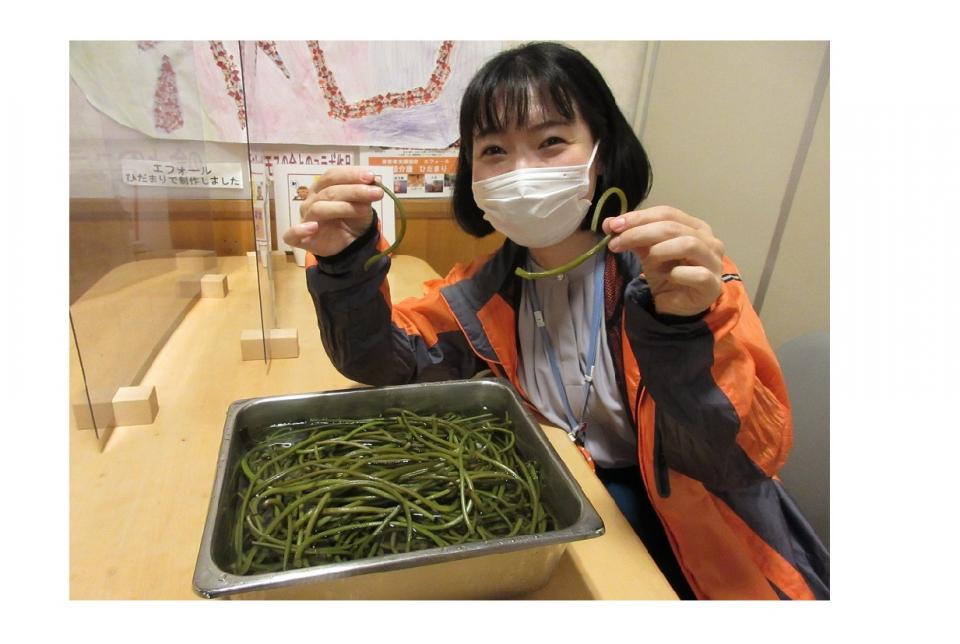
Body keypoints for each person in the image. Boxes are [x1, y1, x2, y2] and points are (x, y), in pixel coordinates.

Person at [283, 41, 829, 600]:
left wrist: (683, 331)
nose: (521, 172)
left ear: (603, 150)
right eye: (494, 150)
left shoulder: (678, 280)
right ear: (472, 173)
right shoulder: (480, 291)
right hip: (573, 506)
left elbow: (742, 457)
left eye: (551, 142)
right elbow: (385, 361)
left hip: (713, 544)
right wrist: (345, 264)